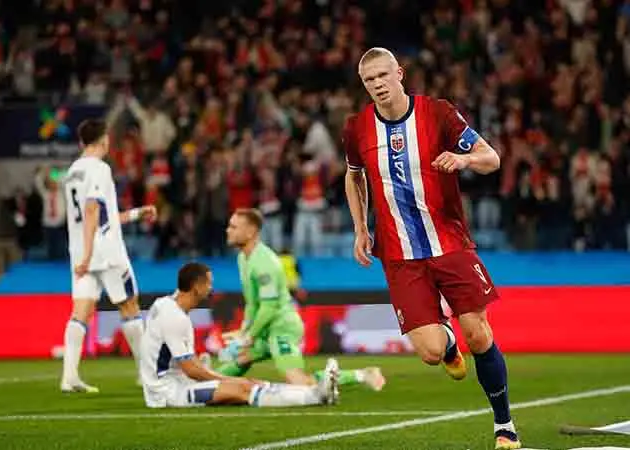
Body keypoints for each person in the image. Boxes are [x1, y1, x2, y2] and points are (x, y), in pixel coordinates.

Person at [343, 47, 520, 450]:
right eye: (370, 80)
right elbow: (353, 176)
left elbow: (491, 158)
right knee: (430, 352)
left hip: (449, 243)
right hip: (400, 255)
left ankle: (504, 425)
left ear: (400, 73)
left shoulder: (437, 113)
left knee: (479, 334)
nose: (378, 85)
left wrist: (462, 160)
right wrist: (360, 228)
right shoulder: (357, 128)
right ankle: (448, 342)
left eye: (384, 75)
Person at [214, 208, 385, 392]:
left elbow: (269, 307)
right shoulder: (243, 258)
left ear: (250, 232)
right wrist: (244, 330)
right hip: (265, 328)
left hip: (281, 329)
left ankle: (363, 374)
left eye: (234, 227)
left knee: (300, 383)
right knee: (241, 359)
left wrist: (249, 336)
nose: (228, 230)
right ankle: (203, 382)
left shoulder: (265, 263)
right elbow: (253, 304)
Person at [140, 261, 339, 408]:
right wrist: (227, 380)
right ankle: (316, 396)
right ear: (197, 286)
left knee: (250, 383)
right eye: (208, 284)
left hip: (175, 383)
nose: (211, 289)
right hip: (169, 393)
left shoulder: (164, 304)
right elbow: (192, 370)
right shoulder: (176, 317)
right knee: (242, 388)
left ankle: (313, 391)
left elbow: (171, 358)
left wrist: (208, 371)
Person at [61, 119, 157, 393]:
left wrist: (136, 214)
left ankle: (69, 376)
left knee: (81, 311)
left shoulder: (72, 172)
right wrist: (90, 254)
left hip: (79, 251)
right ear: (104, 140)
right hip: (105, 251)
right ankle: (146, 374)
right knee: (129, 306)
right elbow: (93, 210)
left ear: (81, 142)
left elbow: (103, 216)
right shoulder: (100, 168)